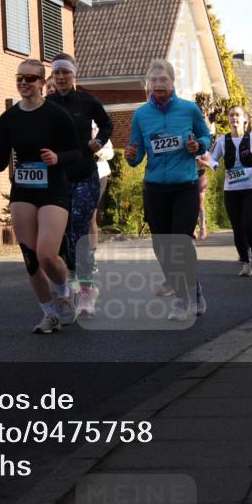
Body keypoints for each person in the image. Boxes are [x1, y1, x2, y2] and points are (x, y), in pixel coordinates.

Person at [0, 59, 81, 333]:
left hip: (53, 187)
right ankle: (48, 313)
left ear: (42, 83)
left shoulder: (56, 115)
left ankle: (64, 292)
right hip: (23, 190)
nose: (24, 83)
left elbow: (77, 153)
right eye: (20, 78)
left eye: (30, 79)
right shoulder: (9, 118)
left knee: (46, 254)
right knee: (30, 257)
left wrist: (57, 157)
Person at [125, 59, 211, 320]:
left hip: (184, 185)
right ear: (149, 84)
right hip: (155, 188)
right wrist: (130, 155)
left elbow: (206, 137)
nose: (159, 85)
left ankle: (182, 300)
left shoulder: (189, 109)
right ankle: (193, 288)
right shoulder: (141, 114)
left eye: (164, 80)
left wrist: (199, 145)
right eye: (154, 80)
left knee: (180, 242)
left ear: (173, 82)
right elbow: (136, 154)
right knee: (161, 246)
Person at [46, 53, 113, 316]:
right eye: (57, 73)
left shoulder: (87, 100)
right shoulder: (47, 103)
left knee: (79, 231)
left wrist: (99, 142)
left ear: (74, 75)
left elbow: (106, 124)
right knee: (63, 235)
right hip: (58, 177)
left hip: (85, 174)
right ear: (52, 77)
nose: (61, 77)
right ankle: (76, 278)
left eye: (66, 72)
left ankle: (86, 288)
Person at [209, 106, 252, 275]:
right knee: (237, 228)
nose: (234, 118)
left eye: (238, 115)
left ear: (244, 119)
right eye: (231, 115)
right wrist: (214, 165)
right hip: (231, 190)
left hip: (251, 188)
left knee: (248, 223)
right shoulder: (222, 141)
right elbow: (212, 157)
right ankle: (246, 263)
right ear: (228, 119)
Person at [88, 120, 114, 268]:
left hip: (98, 174)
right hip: (76, 175)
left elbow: (110, 152)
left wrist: (97, 150)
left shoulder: (96, 128)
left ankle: (91, 256)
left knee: (91, 215)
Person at [195, 152, 212, 240]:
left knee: (199, 205)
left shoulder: (202, 150)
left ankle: (203, 228)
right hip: (188, 178)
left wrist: (199, 160)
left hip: (200, 177)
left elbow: (209, 164)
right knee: (189, 205)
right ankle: (192, 229)